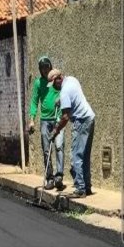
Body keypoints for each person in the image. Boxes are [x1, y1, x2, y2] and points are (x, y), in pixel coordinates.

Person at [48, 69, 95, 198]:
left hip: (81, 121)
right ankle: (87, 187)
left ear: (58, 79)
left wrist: (55, 131)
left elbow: (65, 117)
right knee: (84, 155)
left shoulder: (64, 92)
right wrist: (61, 101)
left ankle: (80, 188)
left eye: (54, 83)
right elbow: (74, 96)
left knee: (76, 156)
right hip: (90, 118)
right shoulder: (72, 80)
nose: (53, 87)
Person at [28, 56, 64, 190]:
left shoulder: (57, 80)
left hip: (58, 120)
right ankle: (50, 178)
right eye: (42, 67)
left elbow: (64, 90)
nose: (45, 69)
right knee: (46, 150)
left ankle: (59, 177)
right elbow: (34, 101)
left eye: (47, 67)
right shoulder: (38, 83)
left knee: (59, 146)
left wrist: (61, 98)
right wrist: (32, 119)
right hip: (45, 121)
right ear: (40, 69)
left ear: (50, 67)